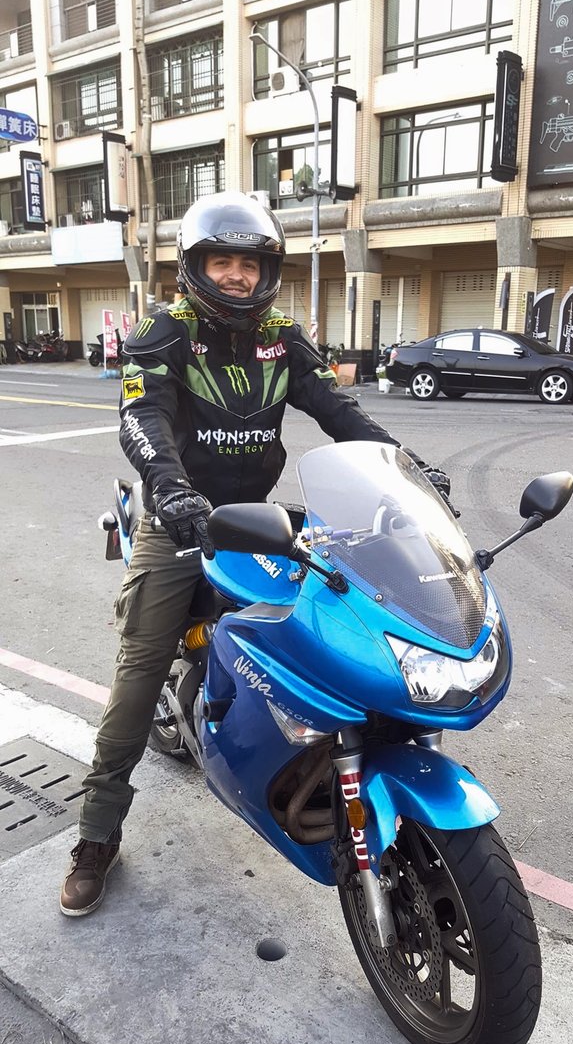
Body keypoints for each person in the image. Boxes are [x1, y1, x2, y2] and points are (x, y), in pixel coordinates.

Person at [59, 191, 452, 916]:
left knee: (333, 622)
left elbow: (341, 413)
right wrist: (172, 494)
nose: (237, 275)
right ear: (196, 267)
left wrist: (408, 472)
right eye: (222, 261)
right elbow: (142, 416)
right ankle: (96, 833)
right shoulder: (166, 331)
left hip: (260, 521)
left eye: (250, 263)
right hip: (179, 521)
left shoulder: (280, 336)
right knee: (138, 676)